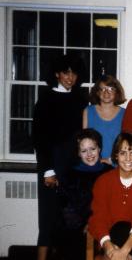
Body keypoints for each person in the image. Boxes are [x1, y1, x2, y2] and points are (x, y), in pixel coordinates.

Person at [32, 54, 88, 260]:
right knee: (47, 218)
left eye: (73, 73)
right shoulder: (46, 99)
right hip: (51, 164)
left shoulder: (80, 99)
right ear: (57, 74)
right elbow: (39, 138)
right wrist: (48, 170)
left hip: (72, 165)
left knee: (69, 218)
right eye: (66, 72)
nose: (70, 77)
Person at [88, 132, 132, 260]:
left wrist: (124, 252)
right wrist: (109, 248)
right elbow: (98, 217)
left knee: (124, 227)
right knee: (118, 228)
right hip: (109, 240)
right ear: (116, 155)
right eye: (123, 153)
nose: (128, 158)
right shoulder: (103, 181)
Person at [61, 129, 112, 260]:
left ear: (99, 149)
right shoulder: (71, 175)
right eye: (84, 151)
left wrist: (97, 223)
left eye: (92, 149)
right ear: (78, 153)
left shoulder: (110, 173)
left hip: (106, 223)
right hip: (78, 226)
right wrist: (85, 225)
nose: (89, 154)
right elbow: (68, 206)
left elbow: (113, 203)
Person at [83, 75, 126, 165]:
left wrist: (111, 160)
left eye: (111, 89)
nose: (106, 92)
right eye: (102, 89)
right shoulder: (88, 111)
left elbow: (126, 144)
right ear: (97, 92)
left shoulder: (125, 113)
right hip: (93, 164)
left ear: (117, 92)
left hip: (117, 165)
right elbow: (84, 143)